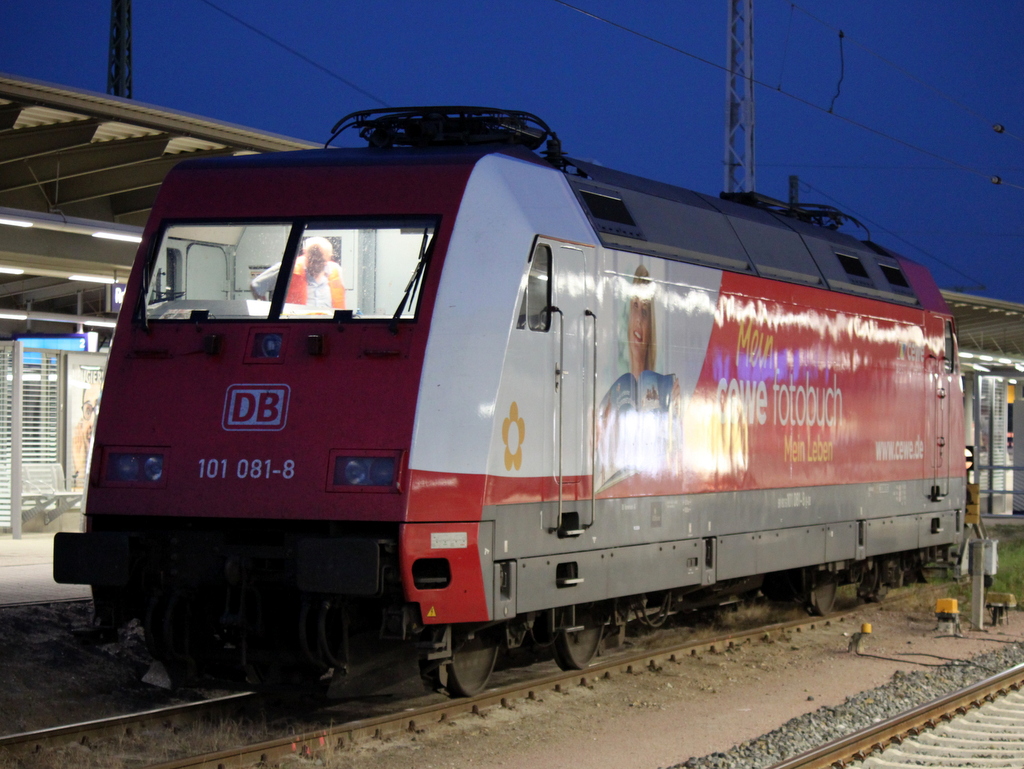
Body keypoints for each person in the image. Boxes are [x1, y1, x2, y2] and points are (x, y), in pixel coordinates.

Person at [285, 237, 346, 309]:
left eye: (321, 261)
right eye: (313, 260)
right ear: (305, 253)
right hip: (298, 316)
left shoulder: (337, 271)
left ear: (329, 257)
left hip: (329, 316)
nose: (316, 265)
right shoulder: (289, 269)